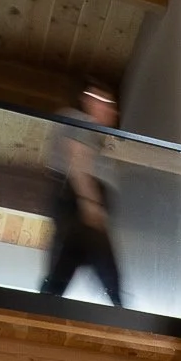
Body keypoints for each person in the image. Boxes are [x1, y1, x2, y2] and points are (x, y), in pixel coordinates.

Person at [41, 81, 123, 305]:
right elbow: (77, 158)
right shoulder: (82, 121)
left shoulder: (90, 133)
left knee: (65, 264)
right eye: (103, 102)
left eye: (111, 104)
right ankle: (119, 309)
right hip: (77, 203)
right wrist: (90, 203)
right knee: (105, 269)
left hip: (75, 204)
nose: (110, 110)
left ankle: (45, 305)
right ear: (87, 100)